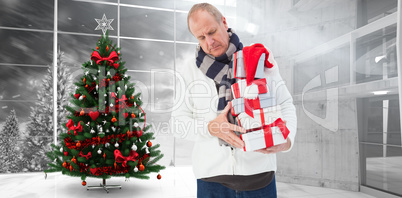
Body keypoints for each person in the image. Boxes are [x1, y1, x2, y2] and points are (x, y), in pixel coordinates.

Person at [171, 3, 297, 197]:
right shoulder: (189, 70)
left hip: (259, 176)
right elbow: (177, 122)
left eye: (212, 32)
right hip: (211, 181)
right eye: (201, 37)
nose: (209, 41)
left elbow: (286, 103)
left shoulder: (258, 58)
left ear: (224, 22)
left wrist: (286, 141)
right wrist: (211, 128)